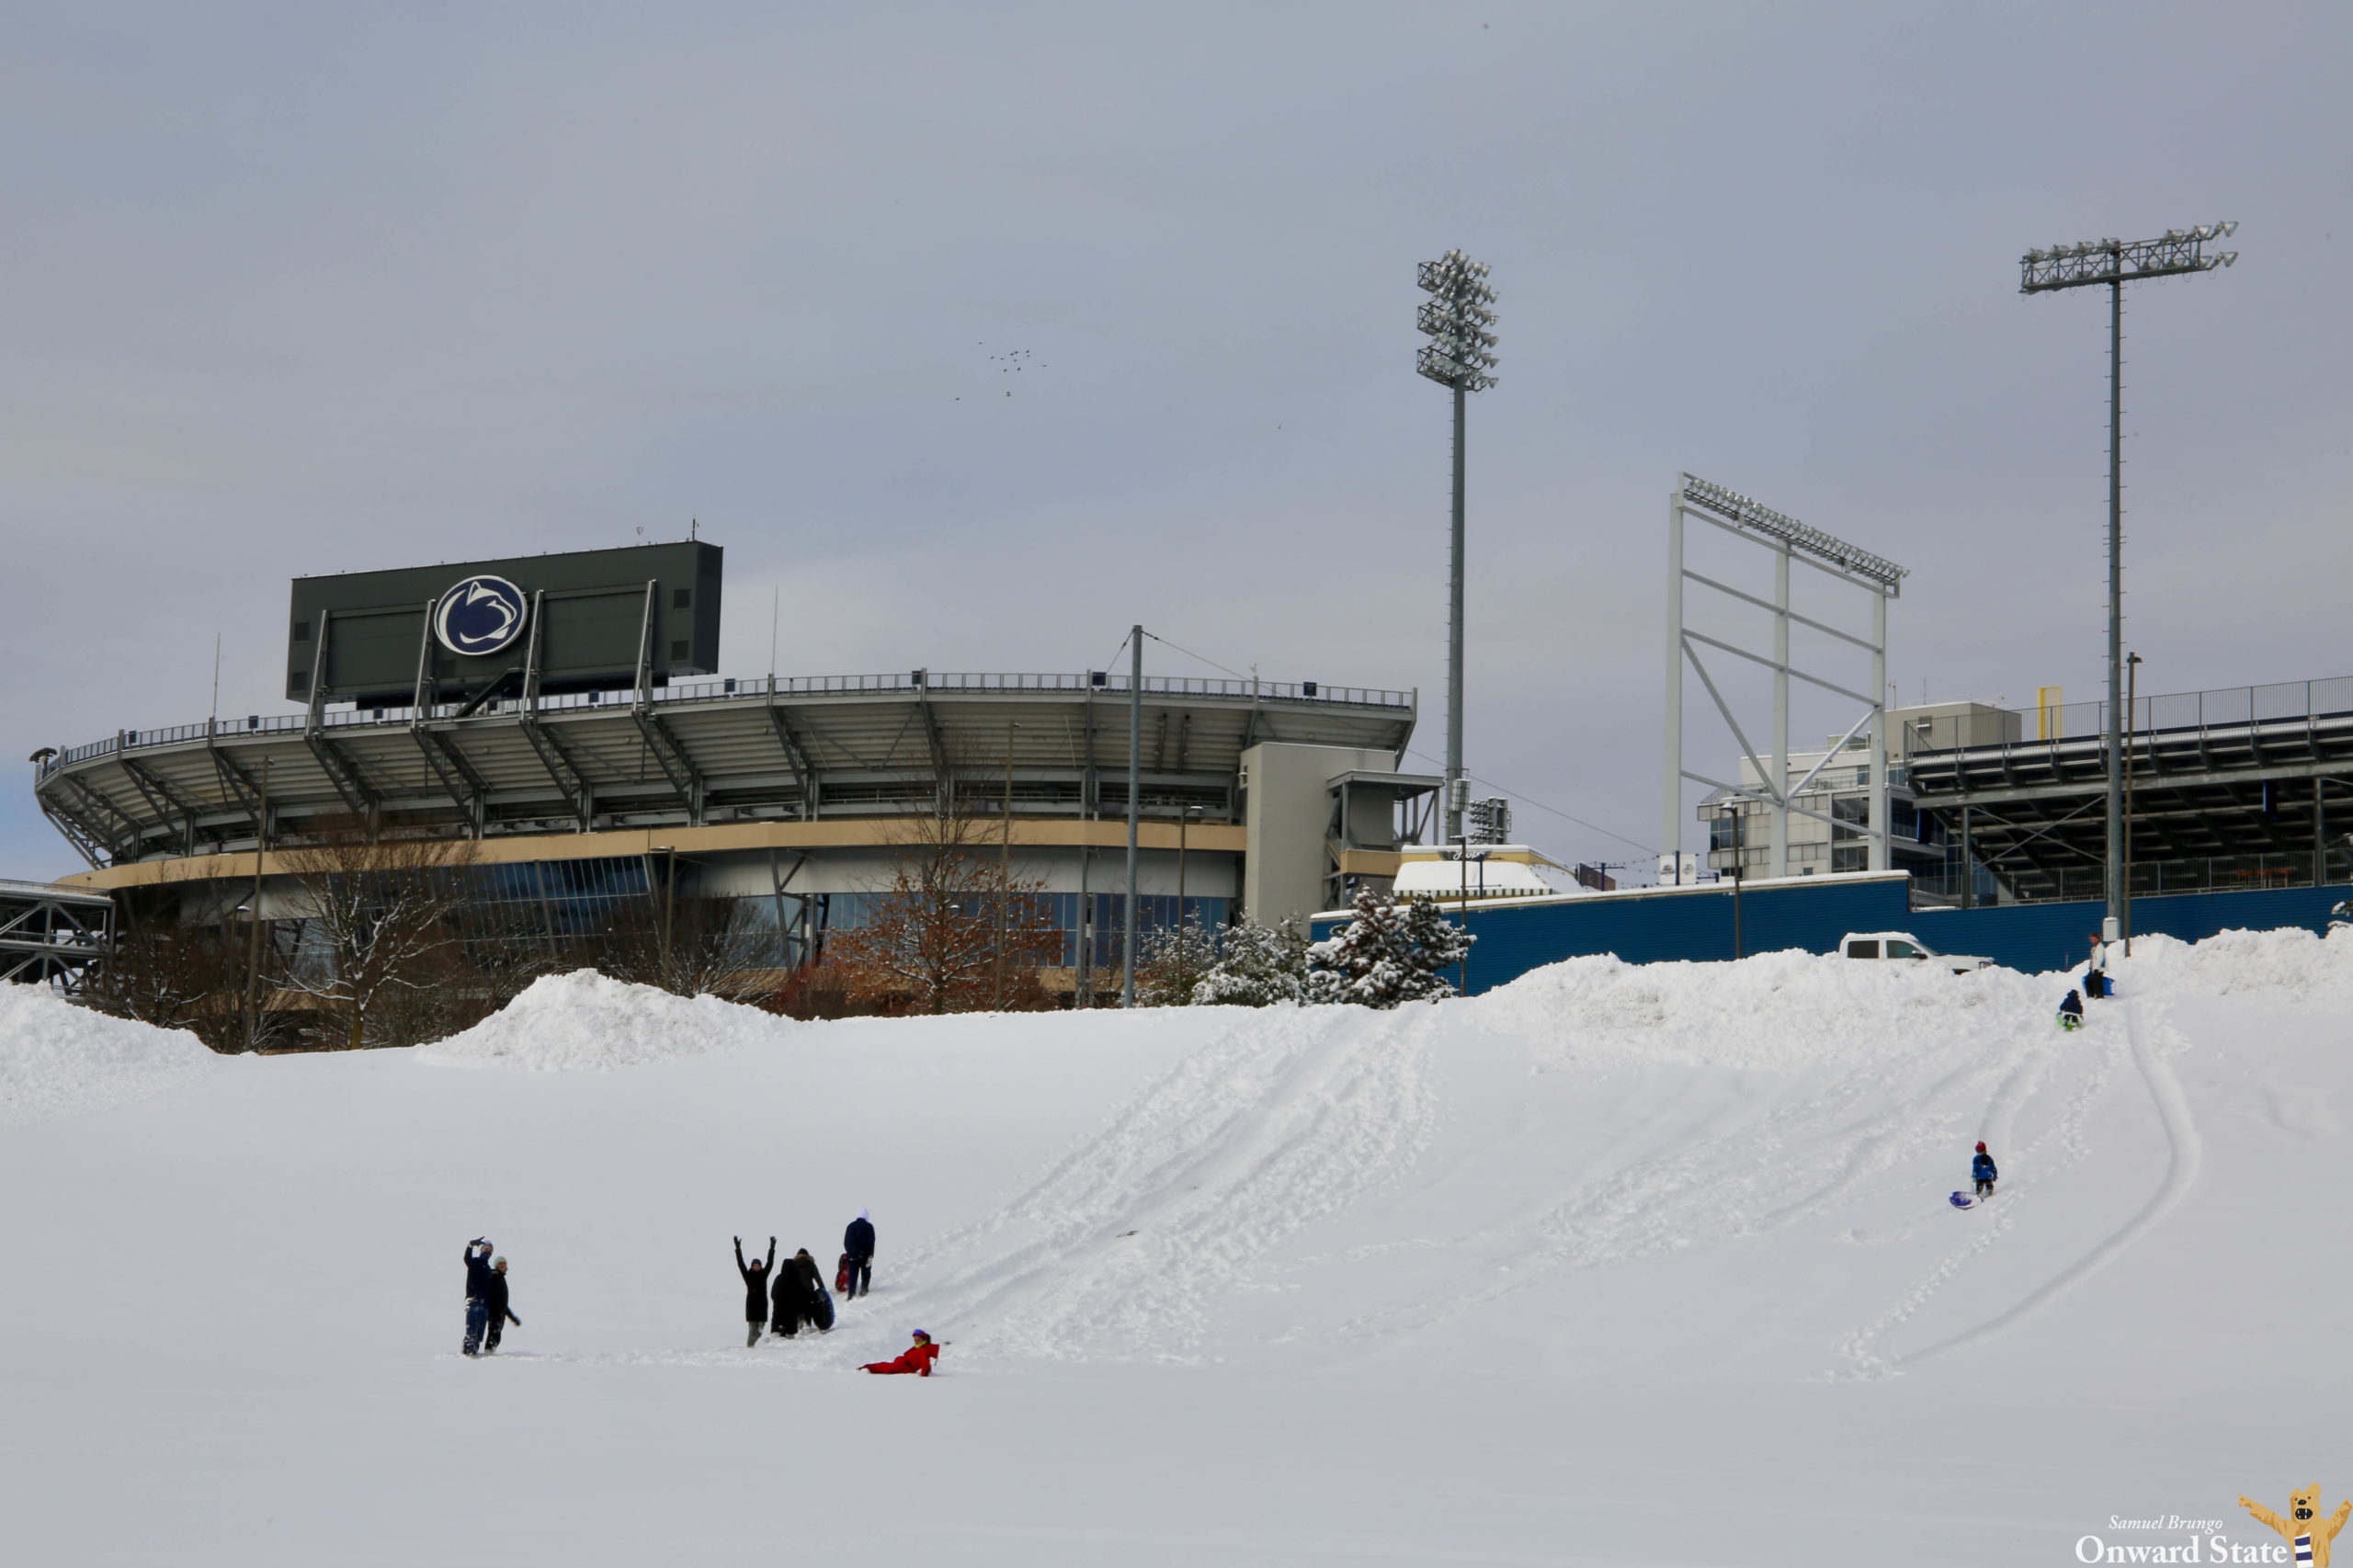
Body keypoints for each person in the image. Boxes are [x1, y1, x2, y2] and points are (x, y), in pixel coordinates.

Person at [773, 1248, 834, 1337]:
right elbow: (818, 1278)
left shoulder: (794, 1265)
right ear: (807, 1255)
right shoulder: (811, 1264)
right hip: (809, 1291)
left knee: (797, 1309)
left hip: (796, 1291)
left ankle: (799, 1324)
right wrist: (823, 1290)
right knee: (808, 1308)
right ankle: (807, 1325)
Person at [734, 1235, 775, 1347]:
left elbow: (770, 1262)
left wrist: (772, 1247)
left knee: (760, 1331)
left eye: (758, 1265)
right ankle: (750, 1348)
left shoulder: (764, 1274)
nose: (756, 1267)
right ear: (752, 1267)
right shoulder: (748, 1276)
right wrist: (738, 1249)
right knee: (753, 1331)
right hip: (752, 1307)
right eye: (754, 1265)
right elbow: (741, 1264)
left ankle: (754, 1347)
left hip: (762, 1306)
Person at [462, 1238, 494, 1357]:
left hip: (485, 1305)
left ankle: (474, 1353)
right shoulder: (475, 1262)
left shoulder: (488, 1269)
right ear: (481, 1250)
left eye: (490, 1250)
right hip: (473, 1301)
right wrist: (470, 1245)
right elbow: (467, 1259)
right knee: (472, 1332)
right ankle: (468, 1355)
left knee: (480, 1334)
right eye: (486, 1249)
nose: (488, 1251)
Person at [861, 1329, 940, 1376]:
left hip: (905, 1367)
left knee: (885, 1367)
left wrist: (925, 1373)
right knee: (885, 1366)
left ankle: (867, 1368)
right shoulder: (919, 1348)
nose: (916, 1342)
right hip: (902, 1363)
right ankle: (867, 1367)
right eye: (915, 1340)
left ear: (924, 1341)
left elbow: (925, 1362)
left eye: (918, 1340)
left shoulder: (923, 1350)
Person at [484, 1256, 521, 1354]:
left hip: (499, 1314)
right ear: (496, 1265)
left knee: (496, 1336)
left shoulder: (500, 1277)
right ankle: (488, 1355)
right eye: (500, 1263)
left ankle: (489, 1353)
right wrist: (494, 1310)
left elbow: (503, 1304)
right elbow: (492, 1297)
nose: (502, 1265)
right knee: (494, 1335)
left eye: (504, 1263)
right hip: (494, 1313)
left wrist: (512, 1318)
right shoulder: (495, 1276)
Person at [843, 1210, 875, 1300]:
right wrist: (870, 1255)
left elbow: (846, 1242)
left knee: (852, 1275)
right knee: (866, 1274)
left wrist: (849, 1252)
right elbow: (871, 1242)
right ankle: (864, 1290)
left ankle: (851, 1294)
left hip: (852, 1255)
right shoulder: (869, 1226)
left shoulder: (850, 1226)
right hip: (865, 1256)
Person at [2086, 932, 2109, 999]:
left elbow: (2100, 958)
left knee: (2097, 981)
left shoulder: (2100, 947)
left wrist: (2096, 968)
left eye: (2093, 939)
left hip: (2098, 968)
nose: (2092, 941)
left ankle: (2099, 995)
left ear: (2098, 939)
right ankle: (2091, 995)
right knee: (2089, 980)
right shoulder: (2094, 947)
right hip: (2094, 968)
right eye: (2091, 939)